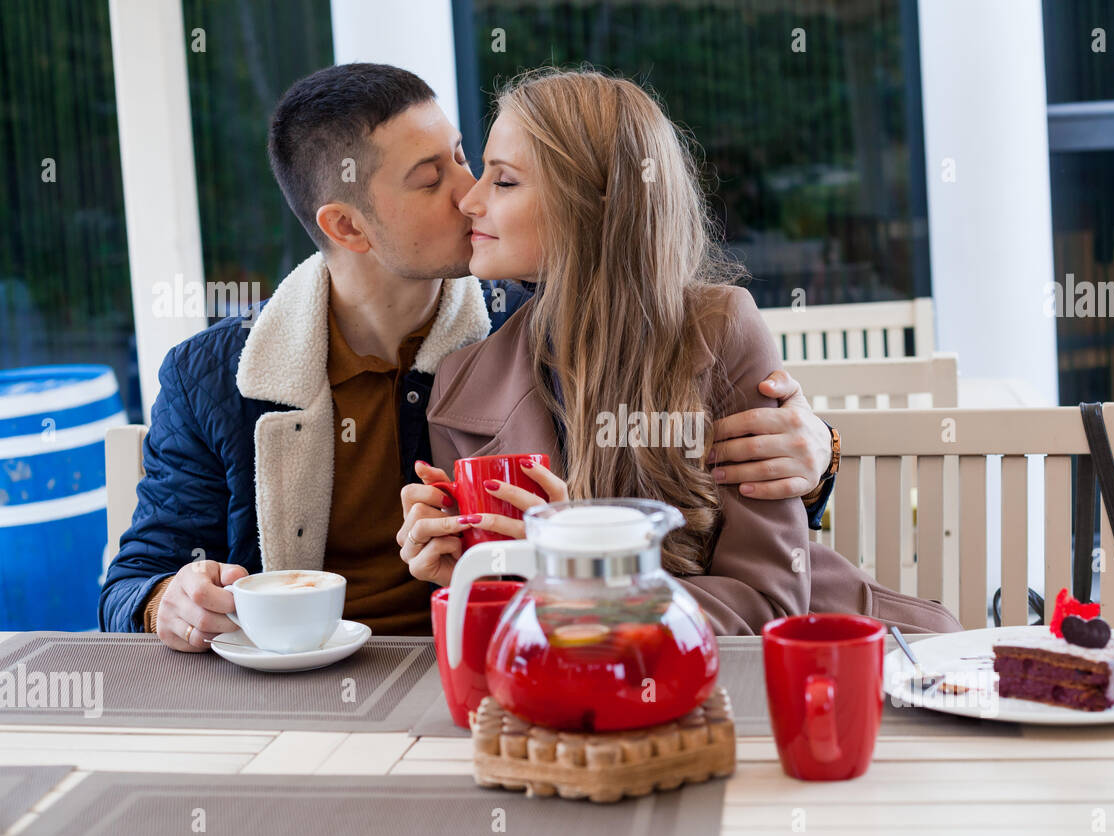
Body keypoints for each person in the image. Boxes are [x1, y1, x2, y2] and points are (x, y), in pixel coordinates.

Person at [98, 63, 838, 647]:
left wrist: (821, 453)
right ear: (347, 226)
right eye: (435, 177)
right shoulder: (215, 377)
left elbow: (745, 555)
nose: (469, 194)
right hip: (313, 688)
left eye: (473, 162)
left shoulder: (528, 320)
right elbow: (132, 582)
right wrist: (169, 600)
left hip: (490, 668)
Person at [397, 67, 961, 635]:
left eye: (505, 181)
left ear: (598, 201)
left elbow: (768, 603)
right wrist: (460, 577)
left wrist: (592, 573)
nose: (468, 200)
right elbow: (509, 628)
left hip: (810, 671)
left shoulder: (720, 331)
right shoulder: (459, 382)